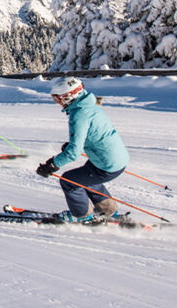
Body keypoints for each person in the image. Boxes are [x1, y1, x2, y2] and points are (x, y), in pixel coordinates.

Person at [36, 77, 130, 222]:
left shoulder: (79, 114)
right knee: (86, 177)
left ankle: (81, 215)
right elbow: (93, 134)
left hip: (106, 163)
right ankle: (109, 211)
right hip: (115, 158)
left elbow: (73, 153)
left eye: (57, 98)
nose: (58, 103)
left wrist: (52, 164)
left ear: (68, 96)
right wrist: (74, 144)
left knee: (69, 181)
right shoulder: (89, 105)